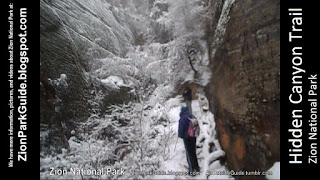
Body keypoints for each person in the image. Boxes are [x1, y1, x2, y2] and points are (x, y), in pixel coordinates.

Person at [178, 106, 200, 175]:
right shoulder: (192, 116)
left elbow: (181, 130)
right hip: (193, 137)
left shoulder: (182, 119)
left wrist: (180, 135)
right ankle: (196, 167)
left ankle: (191, 170)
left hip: (187, 138)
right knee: (193, 152)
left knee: (189, 154)